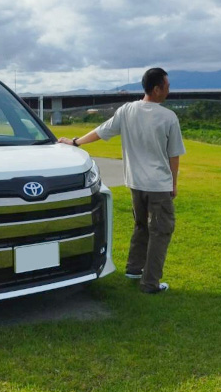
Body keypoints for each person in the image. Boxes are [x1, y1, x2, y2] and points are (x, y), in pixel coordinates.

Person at [59, 68, 186, 294]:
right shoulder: (168, 117)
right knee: (161, 231)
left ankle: (134, 269)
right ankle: (150, 283)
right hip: (158, 186)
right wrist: (174, 184)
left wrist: (76, 142)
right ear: (156, 89)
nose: (168, 90)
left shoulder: (127, 110)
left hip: (135, 183)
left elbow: (102, 131)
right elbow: (173, 155)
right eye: (166, 86)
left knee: (140, 227)